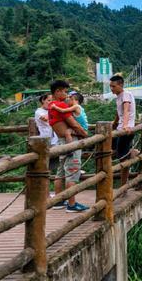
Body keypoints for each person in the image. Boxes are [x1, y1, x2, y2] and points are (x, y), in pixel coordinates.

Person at [48, 80, 89, 212]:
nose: (66, 95)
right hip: (70, 143)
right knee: (72, 172)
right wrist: (85, 135)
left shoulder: (51, 105)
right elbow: (75, 124)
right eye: (65, 91)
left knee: (60, 172)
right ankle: (72, 204)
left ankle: (59, 202)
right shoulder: (60, 105)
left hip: (61, 141)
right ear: (58, 91)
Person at [110, 75, 139, 187]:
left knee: (122, 159)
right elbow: (119, 112)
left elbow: (126, 110)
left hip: (125, 131)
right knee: (113, 151)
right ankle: (132, 152)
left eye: (113, 86)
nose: (111, 89)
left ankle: (124, 185)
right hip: (119, 129)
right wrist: (115, 122)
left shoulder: (126, 95)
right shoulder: (119, 96)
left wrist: (126, 125)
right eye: (110, 86)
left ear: (121, 85)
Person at [34, 94, 60, 202]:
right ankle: (46, 195)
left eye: (52, 100)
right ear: (43, 101)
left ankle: (58, 195)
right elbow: (45, 119)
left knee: (58, 168)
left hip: (56, 141)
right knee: (46, 170)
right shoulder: (39, 111)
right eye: (48, 100)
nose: (50, 102)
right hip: (46, 143)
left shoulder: (51, 111)